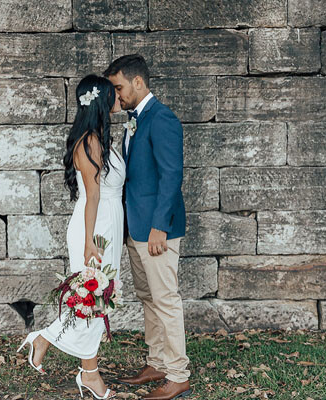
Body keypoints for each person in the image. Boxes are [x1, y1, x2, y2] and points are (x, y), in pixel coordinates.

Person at [17, 74, 124, 399]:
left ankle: (54, 346)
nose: (119, 98)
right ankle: (81, 367)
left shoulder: (99, 137)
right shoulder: (90, 141)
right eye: (113, 95)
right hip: (96, 228)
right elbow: (92, 196)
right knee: (91, 299)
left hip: (108, 224)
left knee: (96, 299)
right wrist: (90, 241)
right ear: (103, 102)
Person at [105, 54, 192, 400]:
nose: (117, 94)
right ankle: (157, 361)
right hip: (135, 228)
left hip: (157, 230)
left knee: (166, 299)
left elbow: (172, 175)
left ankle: (178, 374)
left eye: (119, 87)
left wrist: (160, 227)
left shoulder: (162, 118)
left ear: (138, 82)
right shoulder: (134, 120)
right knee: (148, 298)